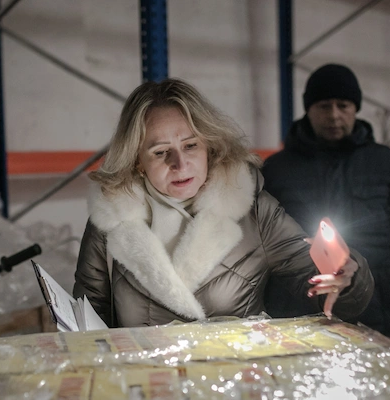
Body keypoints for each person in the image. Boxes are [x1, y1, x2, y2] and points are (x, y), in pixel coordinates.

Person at [74, 78, 374, 328]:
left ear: (209, 147)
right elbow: (88, 320)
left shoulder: (252, 210)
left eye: (190, 146)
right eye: (160, 151)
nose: (180, 163)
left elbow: (318, 279)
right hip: (145, 388)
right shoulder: (110, 221)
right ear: (138, 161)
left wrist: (348, 279)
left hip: (235, 385)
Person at [261, 64, 390, 354]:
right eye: (323, 105)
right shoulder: (278, 170)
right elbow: (262, 253)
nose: (333, 115)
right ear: (308, 109)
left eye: (343, 105)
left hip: (376, 318)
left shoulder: (388, 166)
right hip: (298, 319)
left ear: (356, 109)